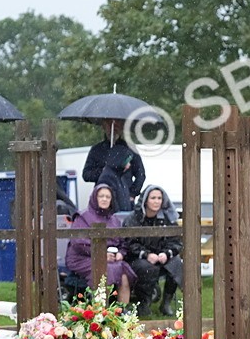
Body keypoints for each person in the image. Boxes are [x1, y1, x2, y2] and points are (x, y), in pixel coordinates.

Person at [66, 183, 135, 304]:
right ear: (94, 198)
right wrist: (101, 255)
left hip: (111, 259)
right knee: (105, 271)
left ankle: (122, 311)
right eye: (101, 196)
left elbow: (122, 242)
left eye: (108, 197)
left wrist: (120, 253)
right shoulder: (82, 217)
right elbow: (78, 243)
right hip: (83, 258)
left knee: (124, 274)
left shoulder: (114, 220)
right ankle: (101, 311)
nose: (104, 199)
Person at [124, 185, 182, 316]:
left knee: (176, 263)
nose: (156, 201)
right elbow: (129, 243)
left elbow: (176, 242)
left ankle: (166, 303)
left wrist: (166, 254)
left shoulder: (167, 218)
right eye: (153, 198)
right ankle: (144, 303)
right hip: (137, 258)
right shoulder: (133, 218)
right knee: (148, 268)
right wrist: (146, 254)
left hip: (161, 257)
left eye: (159, 198)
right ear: (145, 200)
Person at [82, 120, 145, 211]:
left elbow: (141, 174)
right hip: (102, 201)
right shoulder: (96, 150)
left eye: (117, 123)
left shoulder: (130, 149)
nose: (114, 126)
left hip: (124, 200)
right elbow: (86, 174)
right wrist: (105, 171)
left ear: (122, 126)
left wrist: (132, 194)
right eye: (109, 123)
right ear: (103, 126)